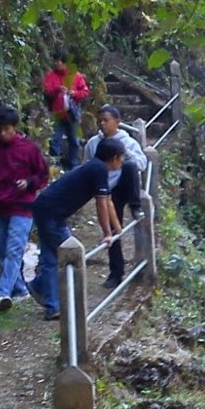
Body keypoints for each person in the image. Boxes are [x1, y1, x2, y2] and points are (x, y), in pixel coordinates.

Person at [29, 138, 126, 321]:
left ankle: (46, 297)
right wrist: (107, 233)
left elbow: (108, 201)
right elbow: (100, 204)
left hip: (47, 209)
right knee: (72, 255)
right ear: (113, 158)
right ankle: (62, 303)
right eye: (121, 158)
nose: (122, 162)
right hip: (51, 213)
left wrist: (118, 228)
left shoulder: (96, 167)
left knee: (52, 257)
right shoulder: (98, 169)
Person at [0, 105, 50, 311]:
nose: (3, 133)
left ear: (14, 127)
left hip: (23, 207)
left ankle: (2, 293)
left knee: (14, 251)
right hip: (0, 206)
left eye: (7, 128)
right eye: (0, 129)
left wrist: (29, 183)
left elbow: (43, 175)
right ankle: (21, 290)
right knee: (1, 252)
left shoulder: (29, 149)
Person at [83, 104, 148, 289]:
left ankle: (135, 207)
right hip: (105, 190)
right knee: (112, 232)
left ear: (117, 122)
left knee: (129, 166)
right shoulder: (93, 144)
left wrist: (124, 155)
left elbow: (142, 163)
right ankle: (116, 272)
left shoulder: (128, 142)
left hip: (124, 186)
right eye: (100, 121)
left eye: (106, 120)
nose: (102, 124)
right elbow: (87, 165)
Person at [41, 52, 90, 170]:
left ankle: (74, 166)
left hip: (72, 113)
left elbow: (85, 92)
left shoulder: (77, 76)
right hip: (57, 113)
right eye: (55, 61)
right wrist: (57, 90)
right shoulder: (51, 76)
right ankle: (55, 166)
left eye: (59, 61)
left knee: (74, 140)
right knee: (55, 140)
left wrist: (75, 93)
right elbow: (46, 91)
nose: (56, 63)